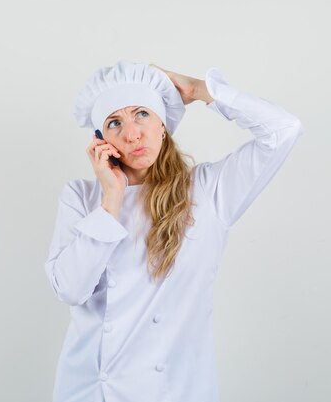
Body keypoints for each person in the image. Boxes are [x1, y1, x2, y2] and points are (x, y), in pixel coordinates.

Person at [44, 60, 303, 402]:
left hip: (173, 391)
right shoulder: (82, 197)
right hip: (90, 391)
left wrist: (201, 90)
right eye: (114, 123)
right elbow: (71, 290)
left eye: (142, 114)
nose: (131, 133)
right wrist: (111, 199)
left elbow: (284, 129)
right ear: (101, 141)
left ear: (163, 124)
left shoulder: (208, 192)